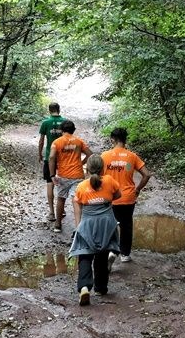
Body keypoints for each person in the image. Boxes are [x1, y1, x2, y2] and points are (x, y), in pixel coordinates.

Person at [68, 154, 121, 305]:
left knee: (85, 254)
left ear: (88, 169)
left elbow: (78, 205)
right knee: (102, 255)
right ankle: (100, 287)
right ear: (103, 168)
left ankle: (84, 287)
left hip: (88, 223)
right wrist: (104, 200)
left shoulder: (82, 186)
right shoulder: (110, 181)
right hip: (106, 224)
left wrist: (78, 226)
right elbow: (118, 195)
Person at [101, 127, 152, 265]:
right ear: (125, 140)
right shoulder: (132, 156)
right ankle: (125, 254)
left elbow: (97, 176)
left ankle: (111, 251)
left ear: (112, 140)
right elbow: (147, 174)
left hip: (110, 197)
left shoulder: (104, 156)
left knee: (110, 225)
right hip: (128, 197)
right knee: (126, 225)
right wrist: (138, 189)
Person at [48, 120, 90, 233]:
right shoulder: (79, 141)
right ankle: (79, 227)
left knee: (61, 199)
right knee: (76, 201)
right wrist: (81, 163)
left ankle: (58, 224)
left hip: (63, 175)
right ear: (73, 130)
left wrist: (52, 175)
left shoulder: (56, 142)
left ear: (61, 130)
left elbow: (51, 157)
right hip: (78, 175)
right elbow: (90, 154)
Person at [38, 103, 67, 221]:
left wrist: (40, 154)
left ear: (49, 110)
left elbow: (41, 141)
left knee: (50, 183)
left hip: (49, 157)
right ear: (59, 109)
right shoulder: (65, 122)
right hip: (62, 157)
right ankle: (61, 209)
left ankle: (51, 212)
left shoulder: (45, 122)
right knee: (61, 182)